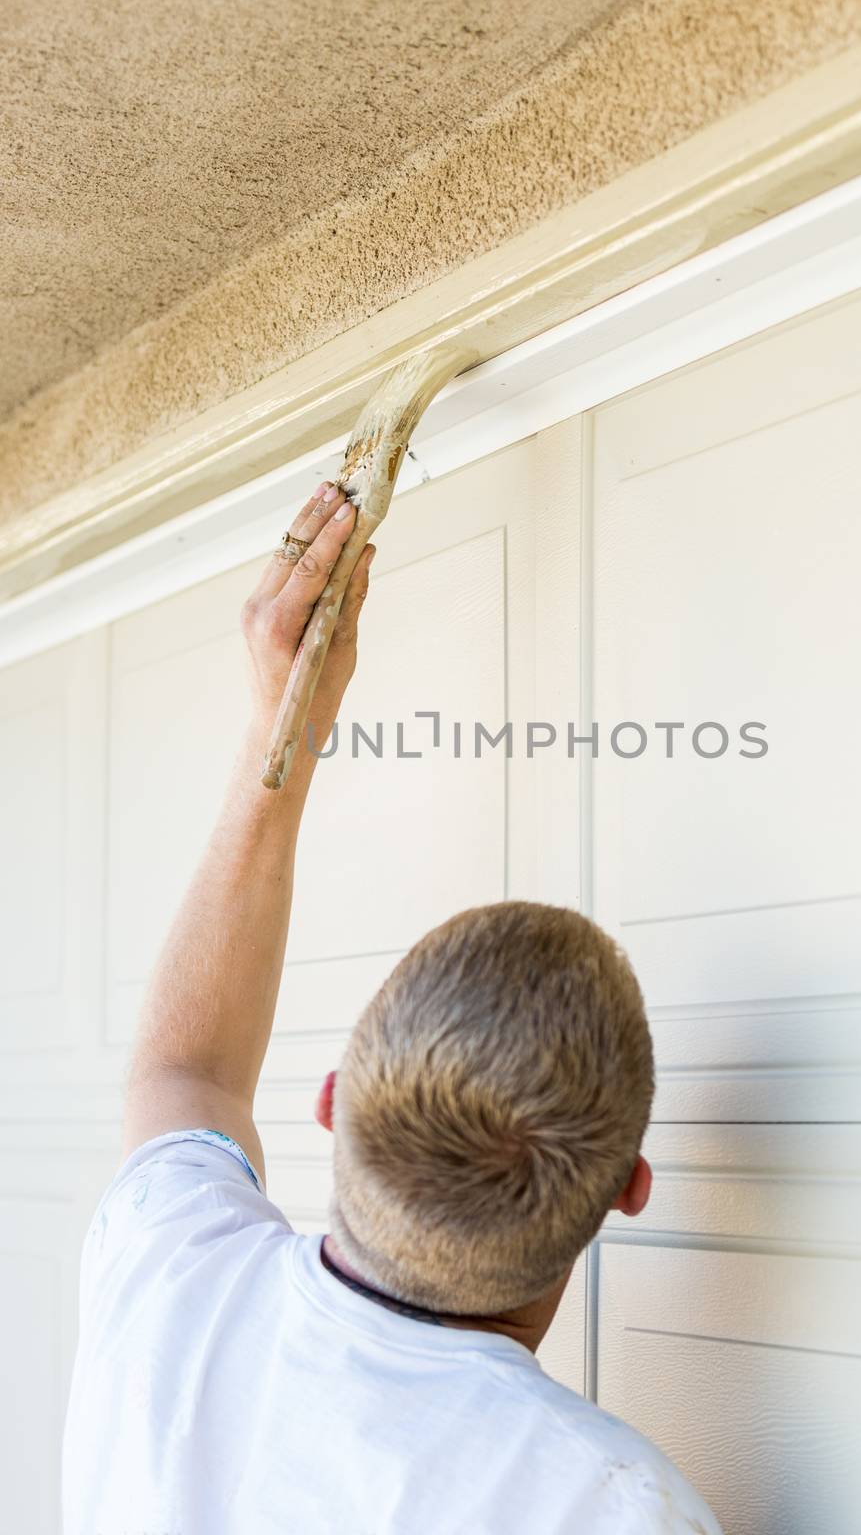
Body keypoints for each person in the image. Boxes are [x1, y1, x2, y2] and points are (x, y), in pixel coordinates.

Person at [63, 480, 722, 1534]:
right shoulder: (611, 1505)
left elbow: (184, 1070)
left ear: (331, 1099)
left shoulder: (173, 1275)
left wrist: (287, 720)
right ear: (625, 1193)